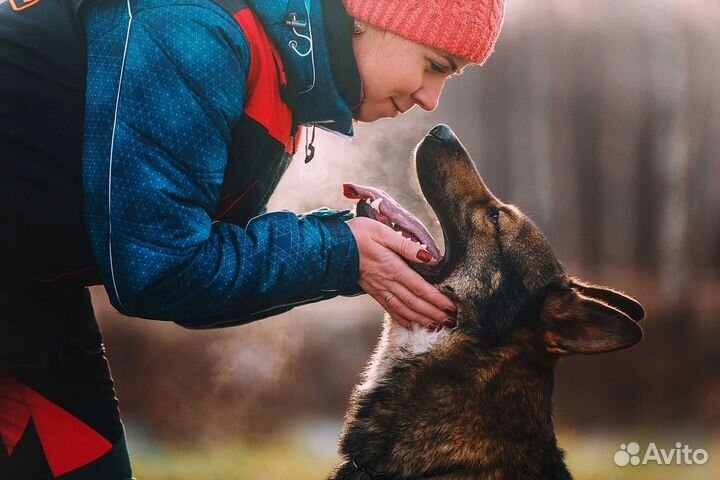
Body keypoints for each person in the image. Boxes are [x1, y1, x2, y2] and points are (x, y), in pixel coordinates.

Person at [0, 0, 505, 477]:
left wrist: (351, 240)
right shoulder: (198, 30)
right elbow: (160, 268)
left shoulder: (276, 60)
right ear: (371, 12)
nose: (430, 99)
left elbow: (195, 257)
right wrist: (342, 252)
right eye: (435, 64)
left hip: (28, 293)